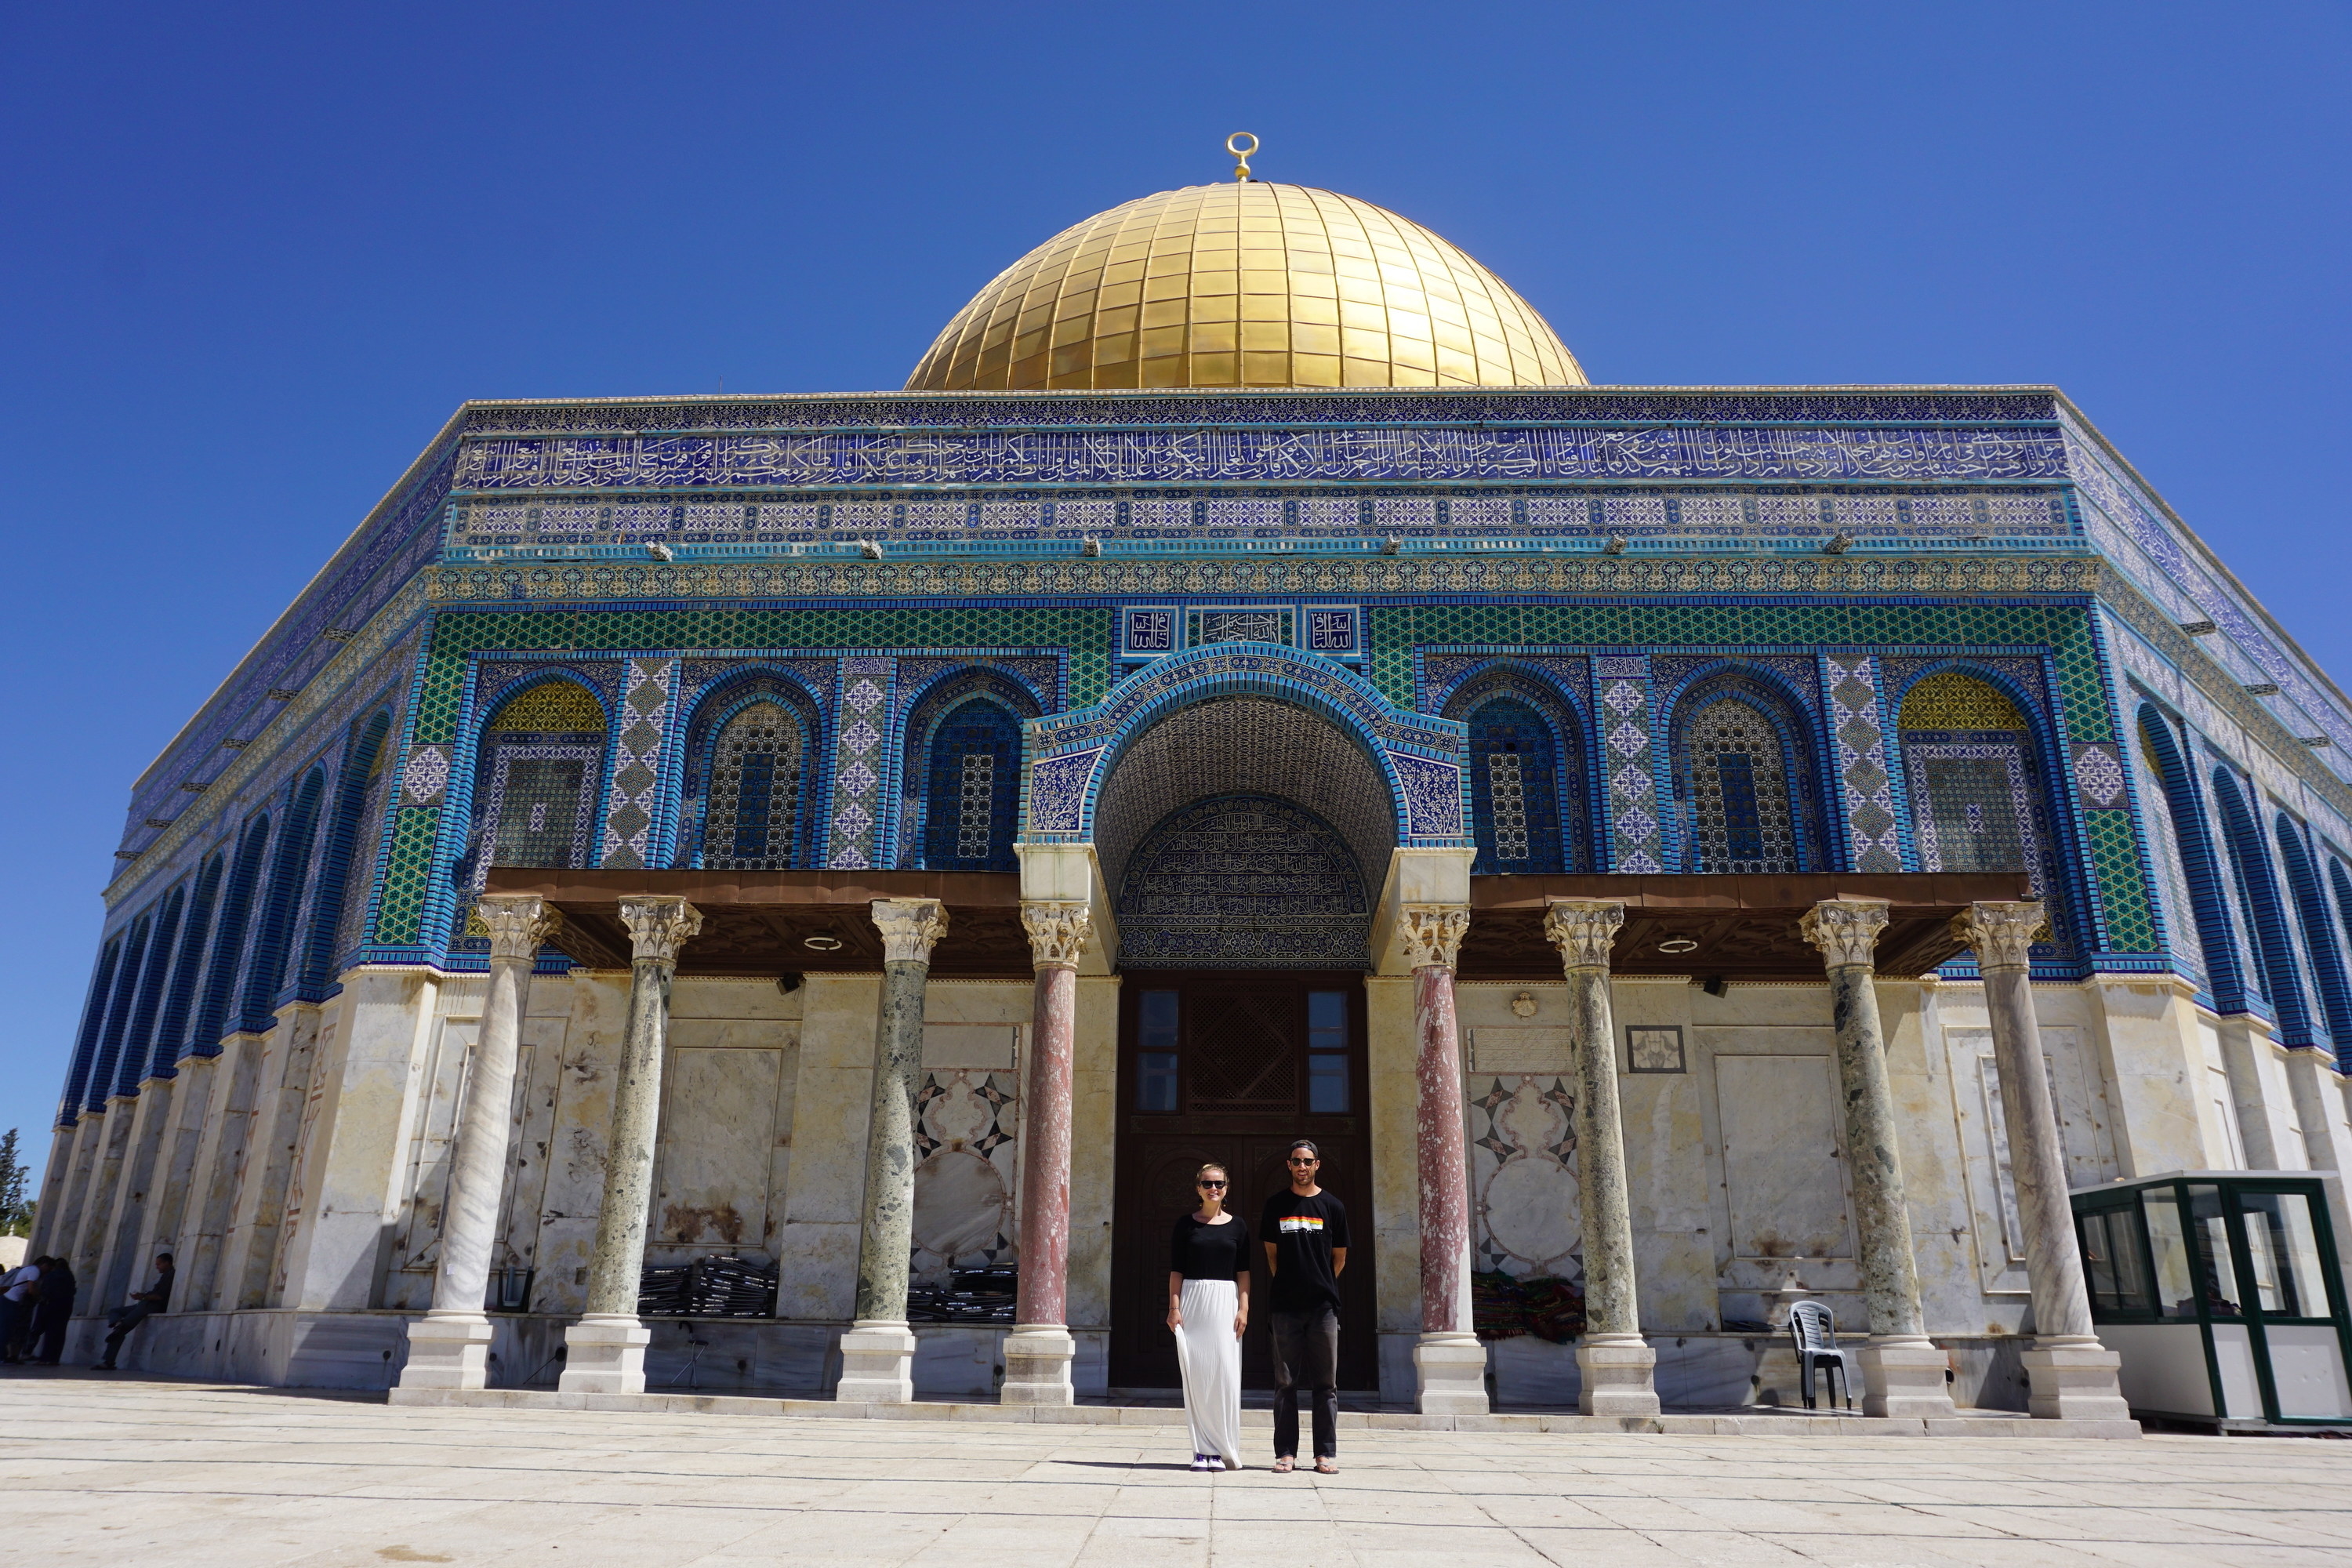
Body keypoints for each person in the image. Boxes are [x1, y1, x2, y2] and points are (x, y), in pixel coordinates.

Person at [1259, 1138, 1348, 1475]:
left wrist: (1319, 1283)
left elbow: (1339, 1258)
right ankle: (1285, 1453)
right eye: (1296, 1161)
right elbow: (1271, 1255)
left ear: (1316, 1165)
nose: (1301, 1167)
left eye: (1307, 1161)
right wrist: (1290, 1284)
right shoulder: (1276, 1205)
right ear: (1289, 1165)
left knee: (1326, 1385)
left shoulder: (1332, 1207)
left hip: (1323, 1308)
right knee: (1285, 1383)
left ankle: (1325, 1454)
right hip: (1284, 1307)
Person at [1167, 1162, 1250, 1473]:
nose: (1212, 1188)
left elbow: (1244, 1273)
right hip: (1193, 1302)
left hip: (1225, 1303)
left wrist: (1243, 1308)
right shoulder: (1185, 1225)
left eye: (1218, 1183)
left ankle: (1223, 1448)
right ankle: (1202, 1450)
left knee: (1225, 1376)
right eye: (1206, 1183)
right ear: (1197, 1188)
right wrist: (1174, 1308)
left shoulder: (1238, 1226)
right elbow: (1177, 1270)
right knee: (1197, 1375)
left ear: (1227, 1187)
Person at [95, 1253, 174, 1370]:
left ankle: (108, 1361)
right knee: (114, 1312)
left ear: (167, 1263)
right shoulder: (165, 1275)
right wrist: (142, 1297)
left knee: (120, 1332)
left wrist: (142, 1297)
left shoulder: (171, 1275)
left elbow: (160, 1297)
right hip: (144, 1303)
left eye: (159, 1264)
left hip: (151, 1306)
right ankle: (117, 1323)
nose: (157, 1267)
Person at [27, 1255, 76, 1365]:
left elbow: (45, 1291)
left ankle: (45, 1358)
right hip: (65, 1307)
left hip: (50, 1306)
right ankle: (54, 1359)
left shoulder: (51, 1276)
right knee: (60, 1333)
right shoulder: (70, 1276)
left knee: (49, 1334)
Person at [1, 1256, 45, 1363]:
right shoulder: (34, 1271)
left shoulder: (26, 1269)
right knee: (7, 1330)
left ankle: (6, 1355)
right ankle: (5, 1355)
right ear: (44, 1264)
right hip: (13, 1302)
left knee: (6, 1330)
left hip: (7, 1300)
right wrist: (41, 1297)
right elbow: (31, 1289)